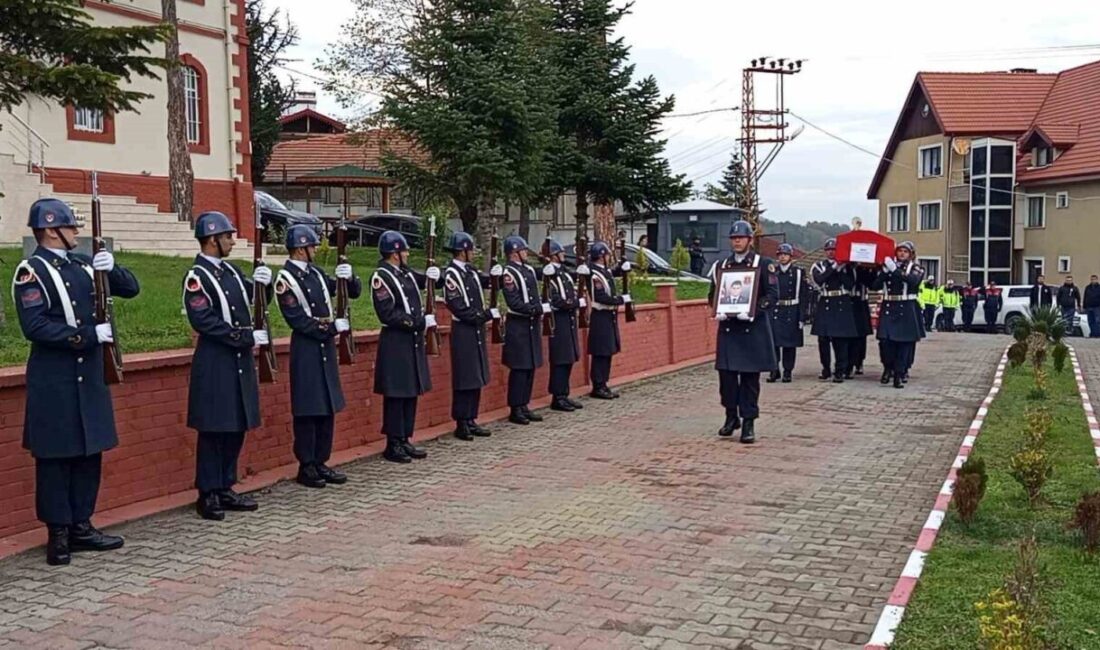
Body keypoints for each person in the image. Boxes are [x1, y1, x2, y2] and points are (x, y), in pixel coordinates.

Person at [11, 198, 140, 565]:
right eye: (71, 226)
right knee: (55, 457)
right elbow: (34, 326)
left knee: (88, 452)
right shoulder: (31, 272)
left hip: (88, 378)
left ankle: (82, 524)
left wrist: (112, 269)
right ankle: (59, 533)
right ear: (52, 229)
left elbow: (131, 289)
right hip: (55, 379)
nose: (77, 232)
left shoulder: (84, 266)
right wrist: (86, 336)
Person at [183, 211, 271, 521]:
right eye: (227, 236)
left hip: (238, 362)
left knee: (236, 426)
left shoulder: (231, 272)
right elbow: (204, 321)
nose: (232, 241)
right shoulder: (197, 277)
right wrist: (244, 337)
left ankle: (225, 484)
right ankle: (208, 492)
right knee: (214, 430)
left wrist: (265, 285)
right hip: (216, 362)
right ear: (211, 238)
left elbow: (256, 301)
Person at [274, 225, 360, 488]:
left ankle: (321, 460)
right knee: (308, 409)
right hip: (307, 347)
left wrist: (350, 276)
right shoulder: (285, 280)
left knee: (326, 407)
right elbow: (298, 320)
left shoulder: (316, 274)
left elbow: (351, 292)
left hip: (324, 349)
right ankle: (307, 464)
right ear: (301, 248)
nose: (315, 250)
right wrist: (332, 328)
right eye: (312, 246)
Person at [371, 230, 439, 463]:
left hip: (411, 341)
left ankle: (404, 438)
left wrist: (433, 275)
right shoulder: (382, 277)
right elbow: (388, 313)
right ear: (395, 253)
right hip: (396, 341)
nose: (408, 254)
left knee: (410, 391)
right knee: (396, 394)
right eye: (405, 250)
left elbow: (421, 282)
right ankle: (393, 442)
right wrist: (419, 322)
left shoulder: (404, 273)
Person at [709, 220, 778, 443]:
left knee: (749, 379)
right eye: (734, 238)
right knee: (726, 378)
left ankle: (748, 421)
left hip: (752, 329)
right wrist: (717, 309)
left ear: (750, 240)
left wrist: (753, 311)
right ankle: (731, 416)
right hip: (729, 329)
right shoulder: (722, 265)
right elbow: (713, 294)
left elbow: (772, 295)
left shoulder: (763, 263)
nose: (737, 241)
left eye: (741, 237)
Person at [441, 231, 497, 440]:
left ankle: (472, 418)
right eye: (471, 250)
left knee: (476, 374)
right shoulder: (451, 274)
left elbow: (485, 284)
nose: (473, 253)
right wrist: (481, 317)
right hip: (464, 329)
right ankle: (461, 421)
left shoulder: (470, 272)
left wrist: (495, 276)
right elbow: (457, 305)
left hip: (476, 328)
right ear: (463, 251)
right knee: (464, 377)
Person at [501, 236, 546, 424]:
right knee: (519, 368)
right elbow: (514, 301)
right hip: (518, 324)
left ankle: (524, 404)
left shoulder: (527, 270)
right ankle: (515, 408)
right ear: (514, 252)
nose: (526, 253)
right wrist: (535, 309)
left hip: (531, 324)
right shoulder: (508, 273)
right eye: (524, 250)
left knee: (530, 366)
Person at [872, 241, 924, 389]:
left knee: (904, 344)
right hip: (889, 305)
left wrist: (895, 270)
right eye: (900, 251)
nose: (902, 254)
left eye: (905, 251)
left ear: (911, 254)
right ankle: (887, 368)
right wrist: (884, 273)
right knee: (885, 343)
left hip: (906, 306)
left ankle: (899, 374)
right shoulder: (887, 267)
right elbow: (874, 286)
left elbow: (913, 281)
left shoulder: (916, 268)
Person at [586, 241, 632, 399]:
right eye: (606, 255)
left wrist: (622, 267)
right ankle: (597, 385)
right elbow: (601, 296)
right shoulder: (594, 274)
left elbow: (612, 274)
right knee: (601, 352)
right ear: (601, 256)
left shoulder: (604, 271)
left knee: (608, 351)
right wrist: (620, 300)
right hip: (600, 315)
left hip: (609, 316)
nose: (608, 257)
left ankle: (603, 383)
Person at [544, 239, 585, 412]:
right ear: (554, 255)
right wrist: (574, 303)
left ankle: (564, 393)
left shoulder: (564, 273)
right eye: (560, 253)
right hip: (558, 321)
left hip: (568, 320)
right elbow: (555, 299)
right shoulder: (550, 275)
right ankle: (557, 396)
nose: (563, 255)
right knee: (560, 360)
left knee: (568, 358)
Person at [810, 238, 857, 383]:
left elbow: (850, 284)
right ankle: (825, 368)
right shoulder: (818, 266)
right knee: (823, 340)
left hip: (841, 302)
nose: (831, 252)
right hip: (826, 301)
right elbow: (820, 279)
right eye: (829, 250)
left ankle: (840, 370)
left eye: (834, 250)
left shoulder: (847, 267)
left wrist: (841, 269)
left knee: (840, 341)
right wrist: (834, 268)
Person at [767, 243, 806, 383]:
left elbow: (803, 295)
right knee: (774, 343)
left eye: (785, 254)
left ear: (791, 256)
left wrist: (802, 316)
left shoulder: (798, 272)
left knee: (789, 345)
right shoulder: (773, 271)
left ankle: (788, 371)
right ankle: (774, 369)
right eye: (780, 255)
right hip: (776, 310)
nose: (782, 257)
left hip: (792, 310)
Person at [850, 266, 875, 377]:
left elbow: (871, 283)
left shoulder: (864, 269)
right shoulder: (846, 267)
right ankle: (848, 363)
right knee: (847, 336)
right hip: (848, 301)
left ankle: (859, 362)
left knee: (861, 335)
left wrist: (871, 268)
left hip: (861, 302)